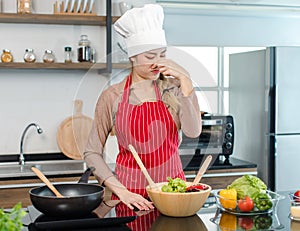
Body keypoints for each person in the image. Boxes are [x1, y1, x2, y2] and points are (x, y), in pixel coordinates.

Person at [83, 4, 201, 212]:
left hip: (173, 197)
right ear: (132, 56)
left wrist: (186, 80)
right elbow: (92, 152)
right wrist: (121, 191)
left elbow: (193, 131)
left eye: (162, 54)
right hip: (130, 198)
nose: (157, 63)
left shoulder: (174, 90)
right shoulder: (113, 96)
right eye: (149, 57)